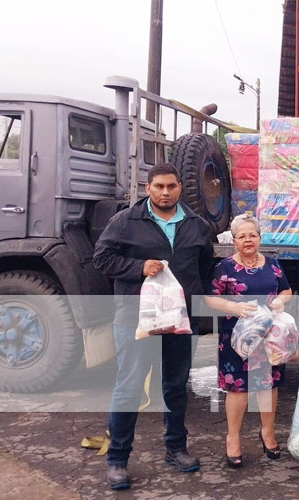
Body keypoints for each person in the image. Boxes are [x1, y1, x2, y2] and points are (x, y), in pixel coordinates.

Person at [93, 163, 214, 490]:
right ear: (148, 188)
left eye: (171, 186)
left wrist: (199, 311)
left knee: (175, 386)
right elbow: (101, 259)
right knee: (130, 386)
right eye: (158, 186)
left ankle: (176, 448)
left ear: (179, 188)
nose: (165, 192)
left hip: (179, 320)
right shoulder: (125, 221)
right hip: (136, 318)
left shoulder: (196, 224)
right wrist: (137, 267)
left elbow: (204, 268)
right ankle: (117, 459)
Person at [205, 213, 292, 468]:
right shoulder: (225, 268)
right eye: (242, 236)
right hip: (237, 338)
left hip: (269, 337)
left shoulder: (273, 264)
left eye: (252, 235)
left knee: (268, 386)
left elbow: (286, 290)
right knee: (238, 389)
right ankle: (233, 438)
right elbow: (210, 298)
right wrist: (234, 307)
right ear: (234, 241)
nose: (248, 240)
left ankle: (267, 432)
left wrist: (280, 300)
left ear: (260, 238)